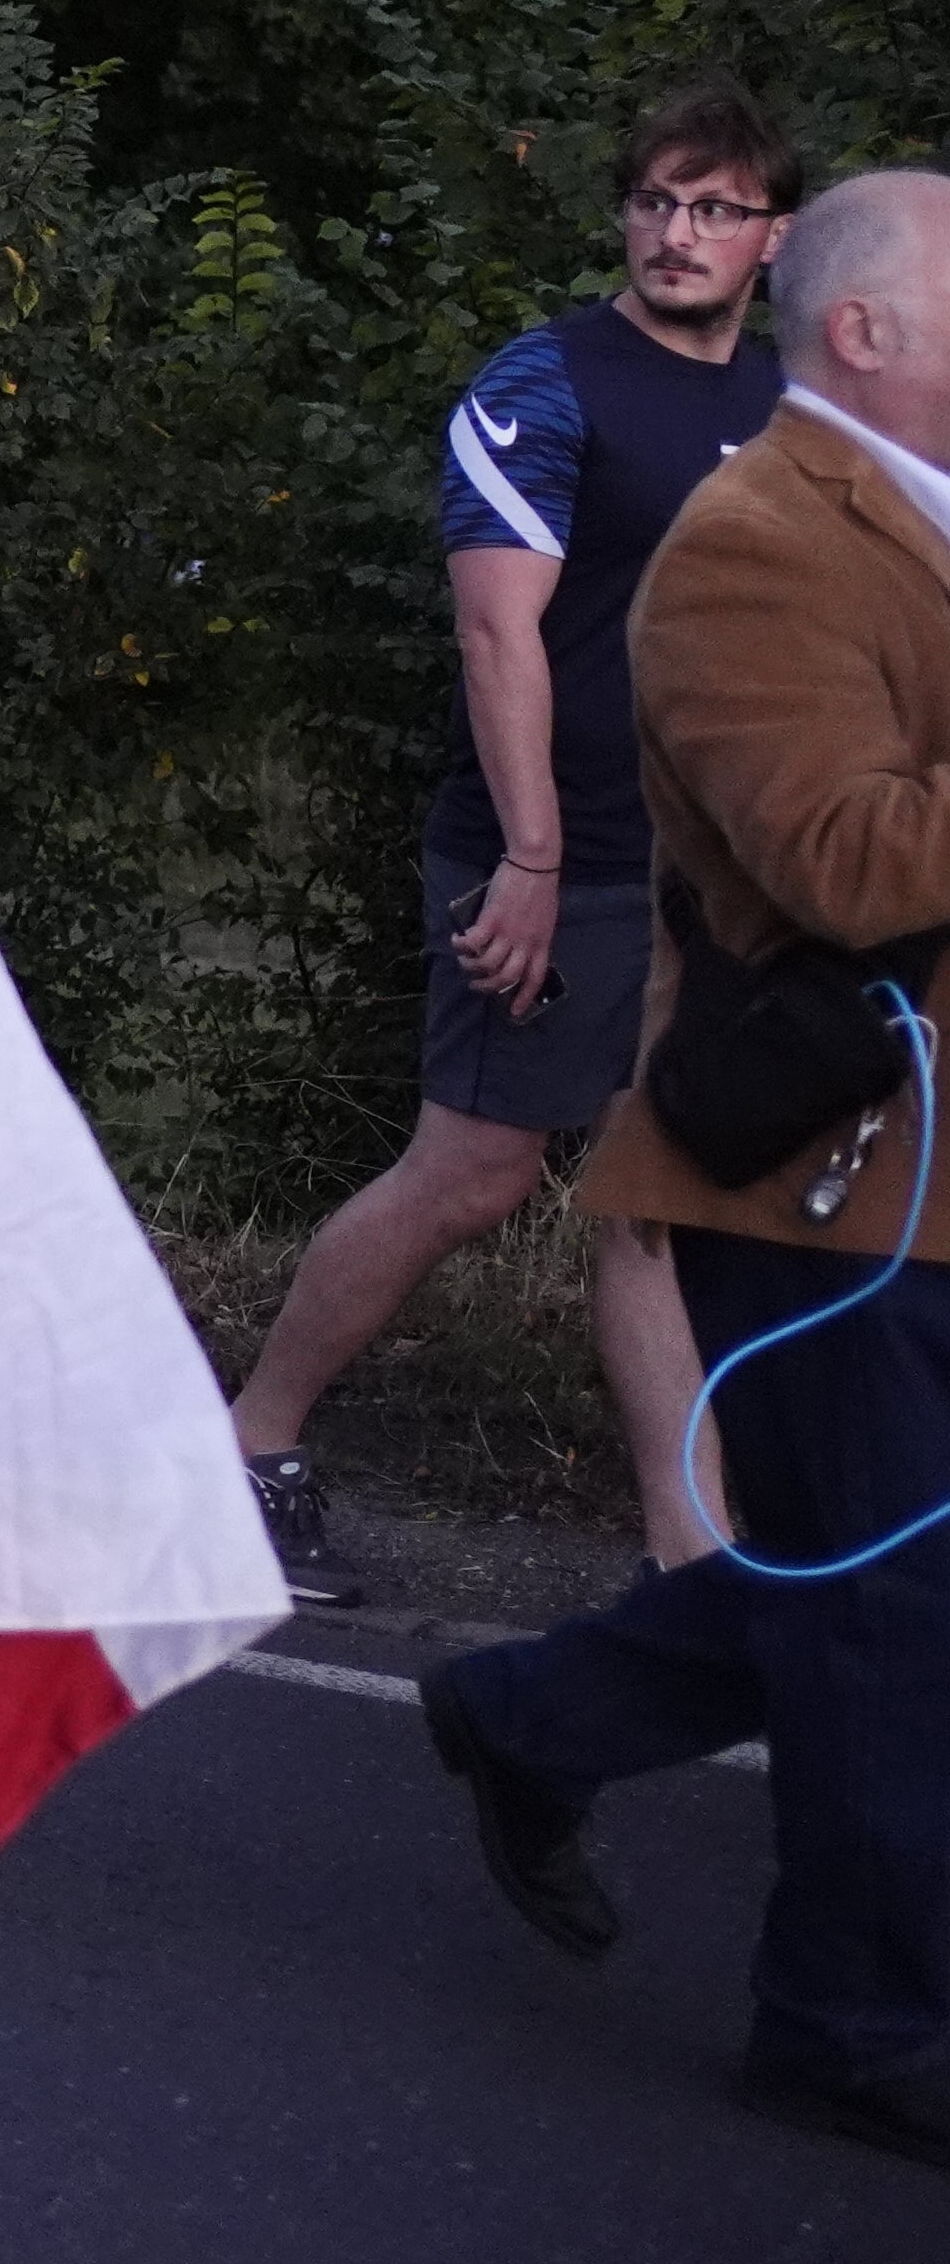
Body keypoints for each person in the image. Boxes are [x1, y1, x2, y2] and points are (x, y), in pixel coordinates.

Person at [417, 164, 950, 2168]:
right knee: (890, 1607)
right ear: (870, 330)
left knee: (864, 1570)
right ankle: (846, 2016)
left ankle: (535, 1714)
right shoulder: (754, 546)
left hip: (919, 1171)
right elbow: (842, 857)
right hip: (835, 1178)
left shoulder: (918, 520)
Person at [232, 79, 799, 1603]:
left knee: (655, 1207)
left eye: (716, 208)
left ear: (774, 237)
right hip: (556, 858)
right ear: (623, 215)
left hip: (711, 880)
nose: (679, 234)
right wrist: (534, 863)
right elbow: (500, 641)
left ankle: (697, 1566)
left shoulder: (781, 408)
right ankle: (245, 1451)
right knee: (474, 1173)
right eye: (655, 202)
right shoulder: (541, 385)